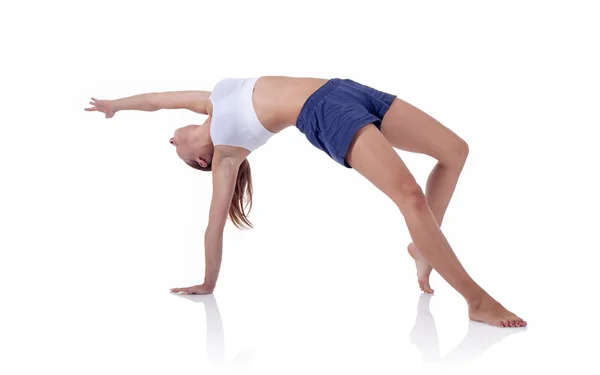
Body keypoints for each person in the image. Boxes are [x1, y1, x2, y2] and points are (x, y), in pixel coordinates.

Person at [85, 76, 526, 328]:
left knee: (455, 150)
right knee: (408, 195)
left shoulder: (210, 102)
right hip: (322, 114)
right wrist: (207, 282)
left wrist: (114, 106)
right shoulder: (226, 154)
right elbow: (213, 226)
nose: (170, 140)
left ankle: (421, 248)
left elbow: (156, 101)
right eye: (174, 151)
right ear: (200, 160)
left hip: (343, 88)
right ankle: (476, 299)